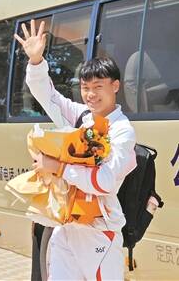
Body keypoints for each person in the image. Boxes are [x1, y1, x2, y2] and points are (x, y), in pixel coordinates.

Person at [15, 19, 137, 281]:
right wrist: (36, 61)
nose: (91, 94)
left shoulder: (122, 130)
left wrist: (58, 167)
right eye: (85, 88)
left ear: (115, 86)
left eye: (98, 87)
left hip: (99, 230)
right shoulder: (80, 116)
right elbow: (47, 95)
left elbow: (105, 181)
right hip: (66, 227)